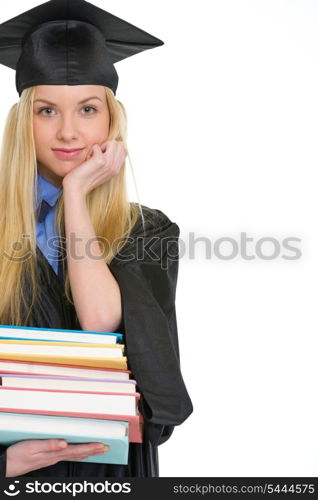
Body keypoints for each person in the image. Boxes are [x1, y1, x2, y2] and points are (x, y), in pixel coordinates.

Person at [0, 0, 193, 478]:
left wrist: (76, 198)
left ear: (111, 121)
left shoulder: (148, 231)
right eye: (46, 111)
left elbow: (101, 321)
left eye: (88, 109)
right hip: (15, 471)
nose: (68, 131)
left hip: (110, 473)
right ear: (24, 120)